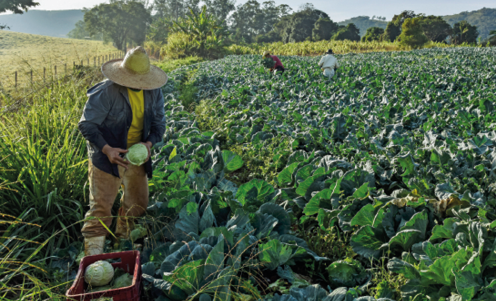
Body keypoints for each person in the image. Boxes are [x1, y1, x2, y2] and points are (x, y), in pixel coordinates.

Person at [78, 46, 168, 256]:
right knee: (101, 207)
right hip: (106, 154)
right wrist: (108, 149)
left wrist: (148, 144)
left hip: (136, 155)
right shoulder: (105, 91)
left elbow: (159, 125)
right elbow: (87, 125)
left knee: (137, 204)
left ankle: (122, 244)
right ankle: (92, 259)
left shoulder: (154, 92)